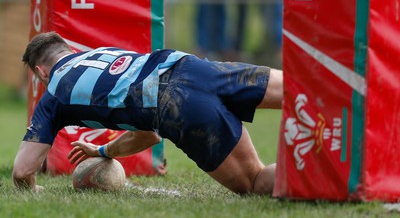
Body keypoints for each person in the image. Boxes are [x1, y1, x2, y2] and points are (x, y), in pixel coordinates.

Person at [12, 32, 283, 195]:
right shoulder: (102, 52)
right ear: (69, 51)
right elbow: (149, 136)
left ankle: (319, 180)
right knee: (300, 90)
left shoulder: (54, 96)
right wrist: (103, 152)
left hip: (175, 105)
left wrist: (32, 189)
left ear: (40, 72)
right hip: (192, 66)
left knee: (255, 181)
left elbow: (23, 171)